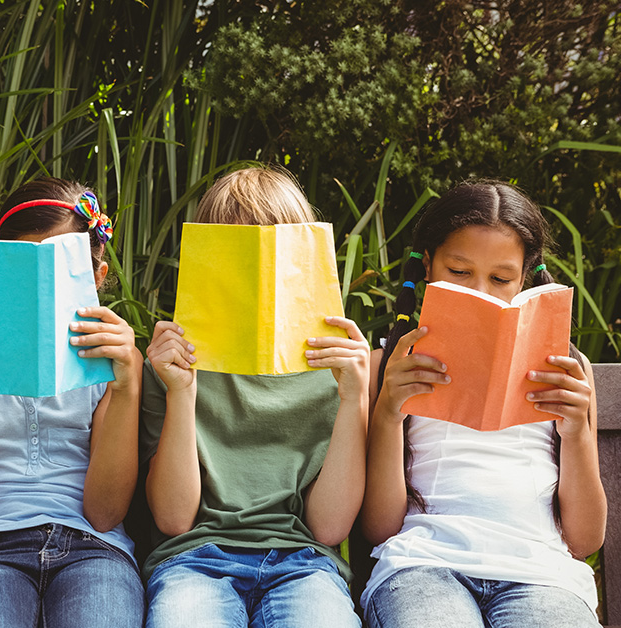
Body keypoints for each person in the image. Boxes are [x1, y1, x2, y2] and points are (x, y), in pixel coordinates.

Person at [361, 180, 605, 627]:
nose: (480, 292)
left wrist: (576, 433)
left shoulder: (565, 371)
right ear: (429, 265)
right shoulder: (388, 365)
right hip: (422, 565)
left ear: (525, 279)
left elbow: (585, 538)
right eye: (459, 271)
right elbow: (379, 528)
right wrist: (388, 414)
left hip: (542, 575)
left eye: (500, 279)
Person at [141, 166, 368, 627]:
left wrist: (353, 400)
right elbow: (173, 519)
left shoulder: (335, 369)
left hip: (305, 565)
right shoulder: (171, 366)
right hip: (194, 559)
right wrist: (182, 392)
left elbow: (328, 529)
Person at [0, 177, 145, 628]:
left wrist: (126, 387)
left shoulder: (112, 365)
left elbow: (105, 514)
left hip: (95, 548)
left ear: (96, 277)